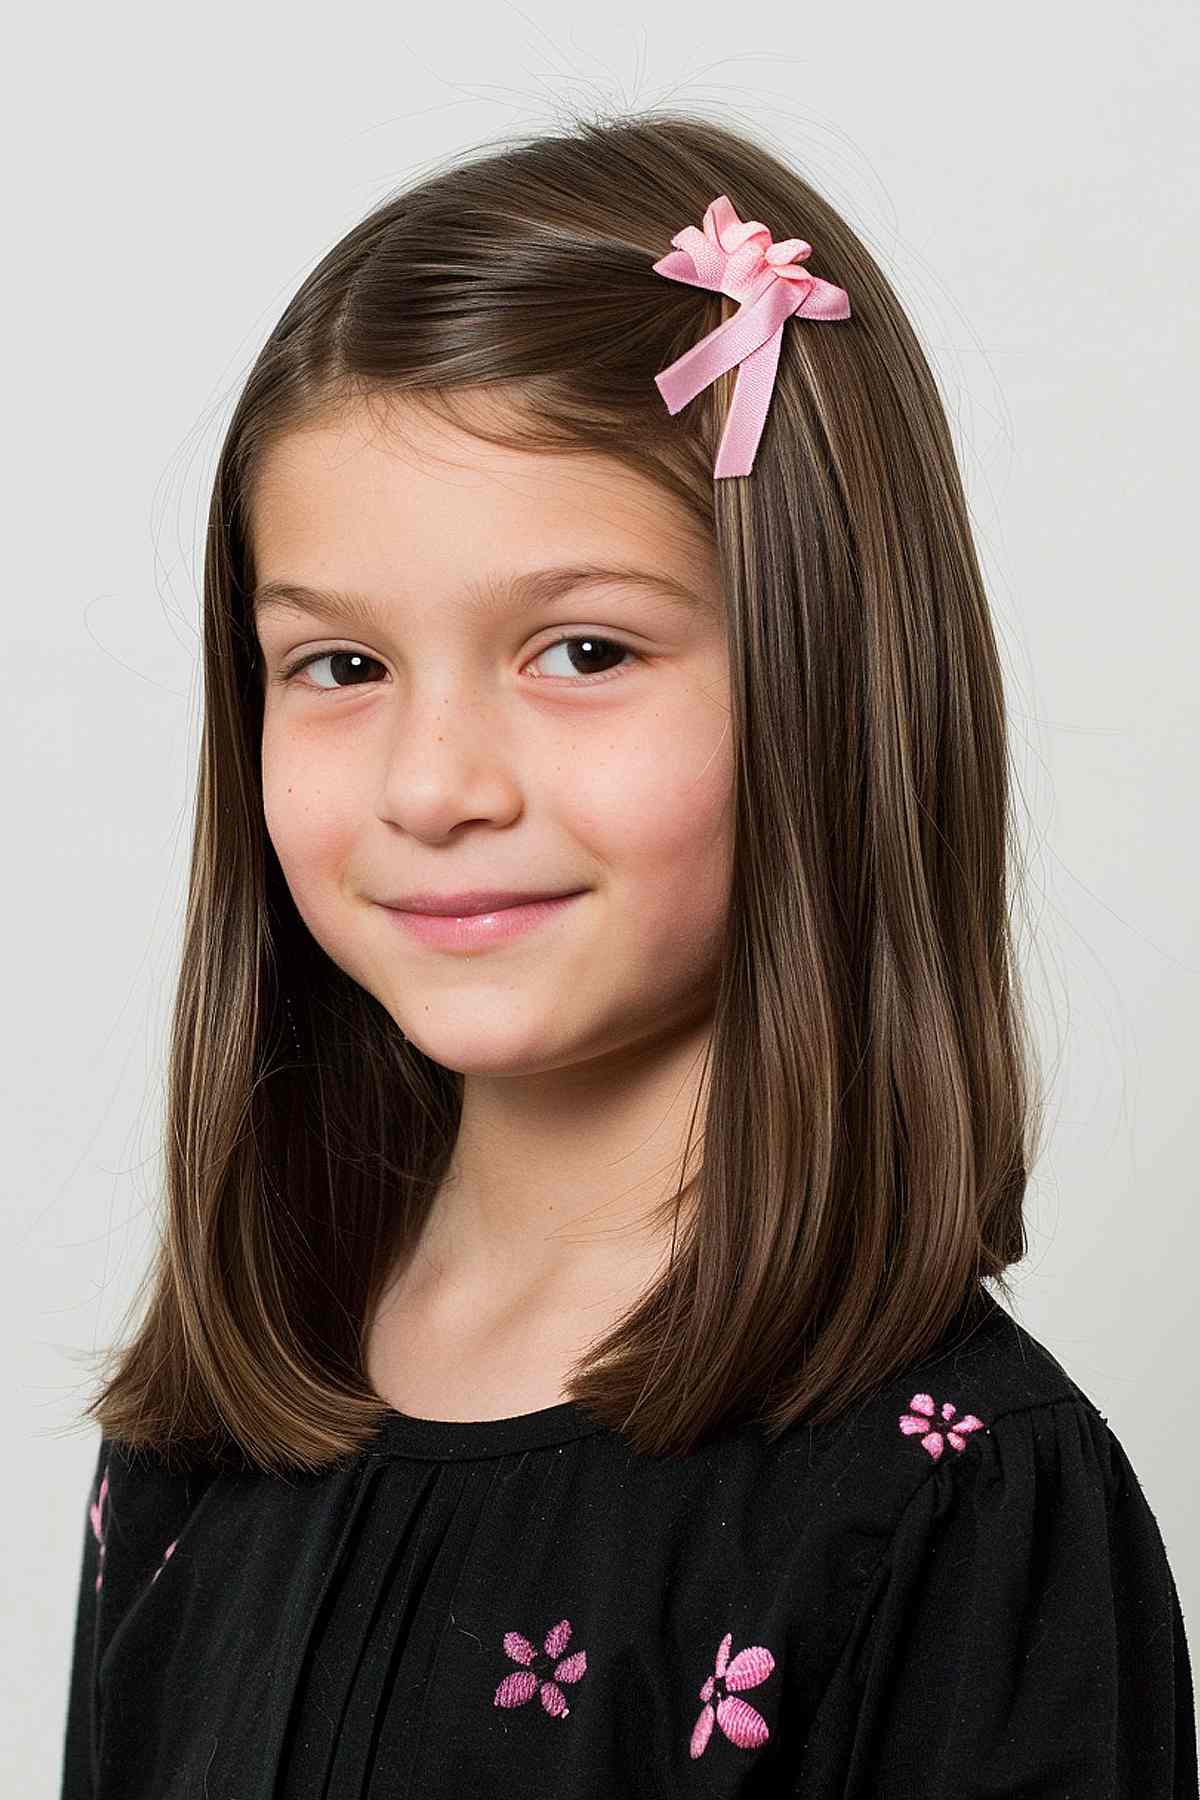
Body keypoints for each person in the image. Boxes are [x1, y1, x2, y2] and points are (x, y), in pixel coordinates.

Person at [58, 110, 1197, 1798]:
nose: (437, 787)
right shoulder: (205, 1436)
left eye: (580, 649)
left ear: (820, 687)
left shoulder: (956, 1497)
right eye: (341, 667)